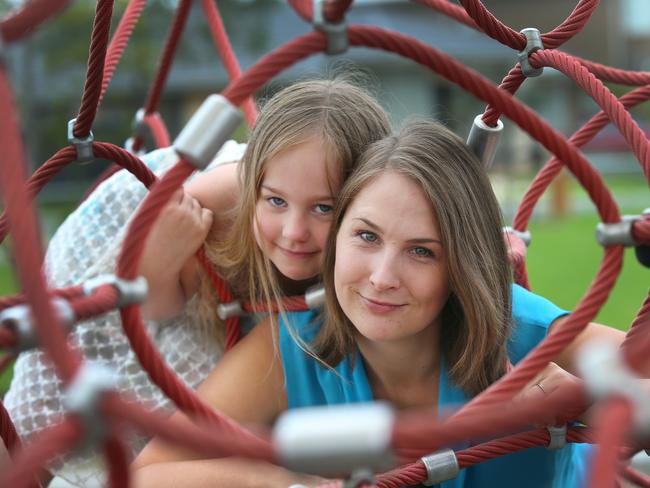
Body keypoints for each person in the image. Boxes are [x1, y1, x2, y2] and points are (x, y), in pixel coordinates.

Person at [132, 120, 625, 487]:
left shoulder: (519, 330)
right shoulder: (295, 350)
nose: (382, 277)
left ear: (460, 265)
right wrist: (293, 482)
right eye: (366, 236)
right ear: (336, 238)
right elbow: (147, 474)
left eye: (421, 251)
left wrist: (584, 399)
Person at [4, 78, 392, 487]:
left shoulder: (376, 242)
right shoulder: (216, 204)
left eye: (324, 208)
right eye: (276, 201)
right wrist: (162, 249)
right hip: (143, 268)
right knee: (50, 423)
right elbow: (152, 304)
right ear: (255, 187)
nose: (294, 231)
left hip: (230, 307)